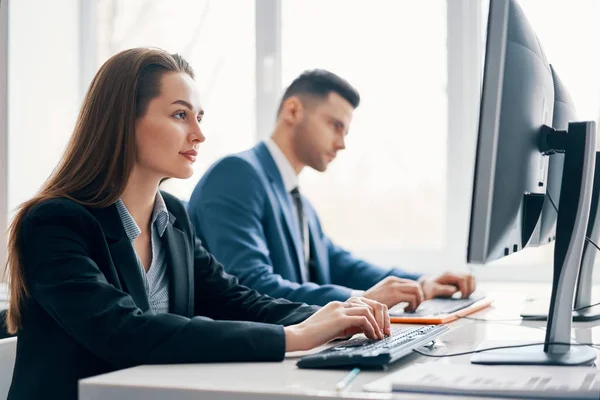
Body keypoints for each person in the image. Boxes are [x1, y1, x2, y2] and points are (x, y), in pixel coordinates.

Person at [3, 50, 390, 400]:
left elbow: (231, 299)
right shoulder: (54, 223)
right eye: (179, 114)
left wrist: (331, 317)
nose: (199, 134)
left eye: (199, 117)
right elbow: (124, 331)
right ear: (124, 120)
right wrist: (292, 337)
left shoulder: (174, 217)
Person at [188, 69, 476, 309]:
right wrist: (359, 300)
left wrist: (422, 282)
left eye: (345, 131)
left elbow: (342, 265)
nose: (341, 143)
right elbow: (250, 285)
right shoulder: (237, 174)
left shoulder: (299, 203)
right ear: (293, 111)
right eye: (335, 126)